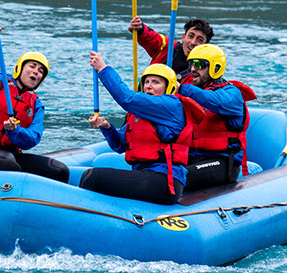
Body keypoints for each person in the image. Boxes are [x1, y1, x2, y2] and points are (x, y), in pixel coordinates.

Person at [80, 51, 204, 205]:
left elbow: (126, 98)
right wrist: (106, 127)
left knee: (92, 177)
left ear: (169, 87)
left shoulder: (172, 106)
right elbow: (120, 145)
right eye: (146, 82)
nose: (149, 86)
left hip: (164, 180)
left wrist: (103, 69)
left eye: (156, 82)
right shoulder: (139, 114)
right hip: (145, 175)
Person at [0, 22, 69, 182]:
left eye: (40, 71)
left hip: (12, 154)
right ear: (20, 68)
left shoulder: (37, 105)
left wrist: (15, 131)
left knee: (59, 170)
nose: (36, 72)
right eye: (32, 66)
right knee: (6, 162)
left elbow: (33, 137)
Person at [178, 43, 259, 191]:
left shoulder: (232, 94)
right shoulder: (191, 94)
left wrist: (181, 88)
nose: (193, 69)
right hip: (190, 157)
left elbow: (214, 101)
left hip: (220, 162)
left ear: (216, 68)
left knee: (175, 178)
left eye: (199, 64)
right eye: (191, 64)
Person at [127, 16, 214, 80]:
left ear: (205, 46)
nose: (193, 42)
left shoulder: (205, 68)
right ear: (183, 37)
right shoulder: (168, 47)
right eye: (191, 36)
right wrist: (141, 29)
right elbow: (152, 38)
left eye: (200, 40)